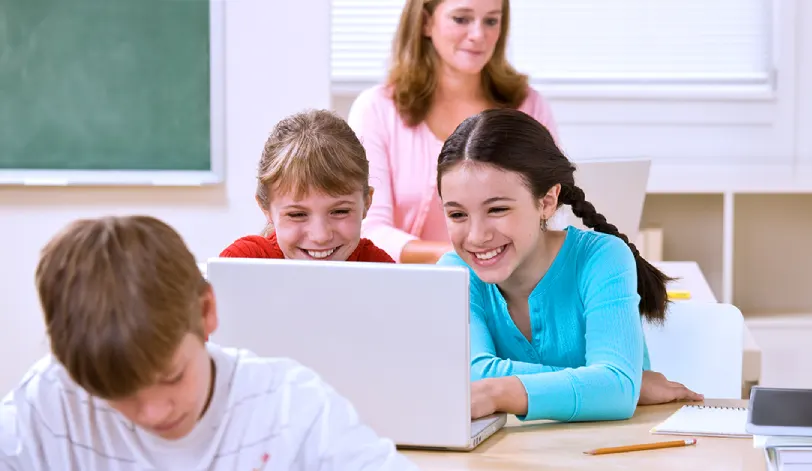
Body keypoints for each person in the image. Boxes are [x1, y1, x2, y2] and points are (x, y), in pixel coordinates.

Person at [0, 215, 418, 470]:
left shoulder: (292, 409)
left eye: (171, 375)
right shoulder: (49, 405)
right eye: (119, 395)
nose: (153, 412)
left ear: (206, 313)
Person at [435, 108, 703, 423]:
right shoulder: (454, 272)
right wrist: (614, 385)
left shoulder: (603, 258)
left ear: (547, 201)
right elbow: (473, 375)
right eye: (457, 214)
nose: (477, 236)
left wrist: (497, 392)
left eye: (497, 209)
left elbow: (482, 384)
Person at [347, 0, 559, 265]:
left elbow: (548, 215)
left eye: (491, 20)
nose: (478, 35)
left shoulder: (528, 105)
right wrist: (467, 258)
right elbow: (369, 229)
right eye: (461, 19)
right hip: (406, 286)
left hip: (507, 290)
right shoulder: (376, 110)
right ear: (426, 22)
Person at [220, 109, 394, 263]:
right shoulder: (243, 263)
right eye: (297, 214)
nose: (320, 236)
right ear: (266, 209)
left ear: (367, 202)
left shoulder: (381, 269)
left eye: (340, 211)